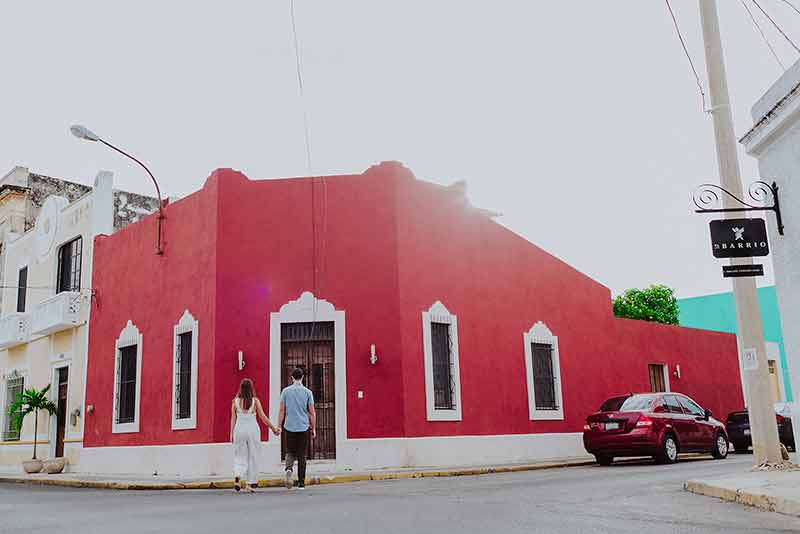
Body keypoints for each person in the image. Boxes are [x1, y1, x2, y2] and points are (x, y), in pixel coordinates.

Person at [231, 378, 280, 493]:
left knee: (239, 455)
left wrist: (231, 433)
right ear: (251, 389)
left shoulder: (235, 402)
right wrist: (273, 428)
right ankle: (249, 483)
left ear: (241, 389)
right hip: (252, 430)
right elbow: (263, 417)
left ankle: (238, 476)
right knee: (253, 456)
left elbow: (233, 419)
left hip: (239, 430)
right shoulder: (255, 401)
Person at [279, 367, 316, 490]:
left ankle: (289, 469)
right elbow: (311, 412)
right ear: (303, 377)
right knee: (302, 455)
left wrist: (279, 425)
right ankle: (301, 483)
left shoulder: (285, 392)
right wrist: (314, 428)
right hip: (303, 426)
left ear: (292, 378)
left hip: (289, 426)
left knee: (290, 451)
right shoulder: (307, 392)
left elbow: (282, 410)